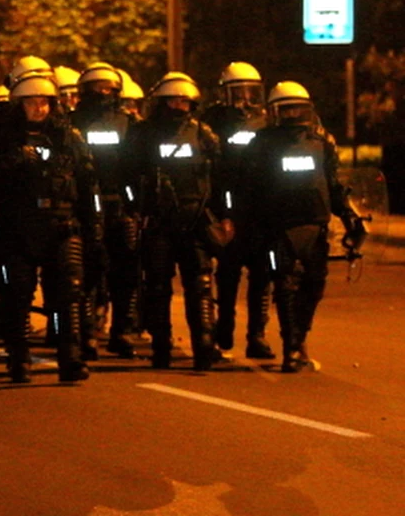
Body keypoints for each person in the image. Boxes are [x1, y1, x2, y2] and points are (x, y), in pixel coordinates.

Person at [0, 74, 101, 383]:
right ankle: (19, 358)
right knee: (17, 295)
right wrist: (10, 161)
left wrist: (94, 225)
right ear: (19, 105)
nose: (38, 108)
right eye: (31, 102)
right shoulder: (2, 138)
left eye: (43, 102)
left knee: (68, 293)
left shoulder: (68, 137)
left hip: (62, 225)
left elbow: (88, 183)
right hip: (18, 228)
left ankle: (69, 358)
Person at [244, 81, 365, 372]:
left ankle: (300, 339)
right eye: (286, 109)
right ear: (274, 112)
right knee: (285, 287)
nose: (292, 114)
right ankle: (291, 348)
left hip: (314, 224)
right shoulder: (261, 144)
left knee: (314, 286)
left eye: (297, 109)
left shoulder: (320, 143)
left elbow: (333, 184)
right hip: (277, 227)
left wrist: (349, 216)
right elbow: (249, 188)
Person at [121, 72, 228, 371]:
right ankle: (161, 347)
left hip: (195, 220)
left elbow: (221, 178)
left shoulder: (203, 134)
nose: (179, 106)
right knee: (157, 287)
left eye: (184, 101)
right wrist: (135, 208)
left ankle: (204, 346)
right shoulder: (143, 134)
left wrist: (224, 214)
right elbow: (126, 175)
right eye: (173, 101)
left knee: (201, 285)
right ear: (161, 102)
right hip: (158, 221)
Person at [199, 62, 275, 359]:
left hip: (260, 209)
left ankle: (257, 335)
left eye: (251, 93)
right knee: (228, 273)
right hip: (227, 205)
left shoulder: (267, 121)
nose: (245, 100)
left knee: (262, 275)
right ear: (224, 94)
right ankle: (225, 326)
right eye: (238, 93)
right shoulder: (213, 121)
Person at [69, 63, 139, 359]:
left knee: (126, 272)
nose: (103, 93)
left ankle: (121, 331)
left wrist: (136, 204)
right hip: (83, 206)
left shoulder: (128, 123)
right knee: (86, 272)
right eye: (97, 88)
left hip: (119, 204)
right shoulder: (71, 122)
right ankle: (87, 333)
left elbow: (138, 165)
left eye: (108, 88)